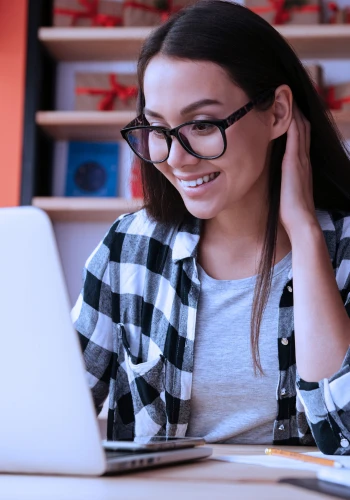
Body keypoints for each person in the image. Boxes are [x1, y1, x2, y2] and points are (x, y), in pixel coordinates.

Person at [72, 0, 350, 454]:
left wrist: (304, 232)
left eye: (201, 124)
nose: (175, 158)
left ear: (278, 113)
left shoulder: (343, 249)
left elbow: (345, 439)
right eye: (158, 128)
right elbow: (51, 417)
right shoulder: (129, 249)